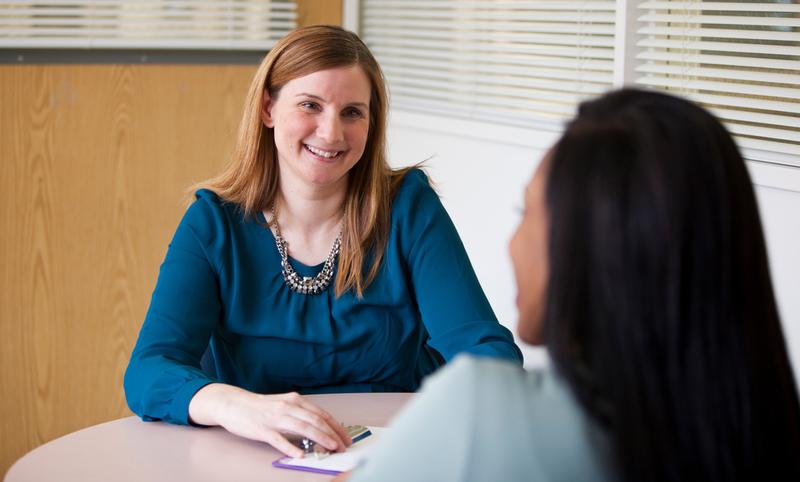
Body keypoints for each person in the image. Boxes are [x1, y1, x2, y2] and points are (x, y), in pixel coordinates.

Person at [345, 89, 800, 482]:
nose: (512, 243)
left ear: (590, 251)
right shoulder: (762, 432)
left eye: (527, 215)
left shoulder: (480, 411)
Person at [123, 25, 522, 458]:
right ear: (267, 108)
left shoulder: (408, 209)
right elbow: (148, 371)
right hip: (250, 453)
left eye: (352, 112)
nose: (331, 134)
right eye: (310, 105)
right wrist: (235, 405)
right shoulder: (213, 224)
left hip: (394, 453)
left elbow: (485, 352)